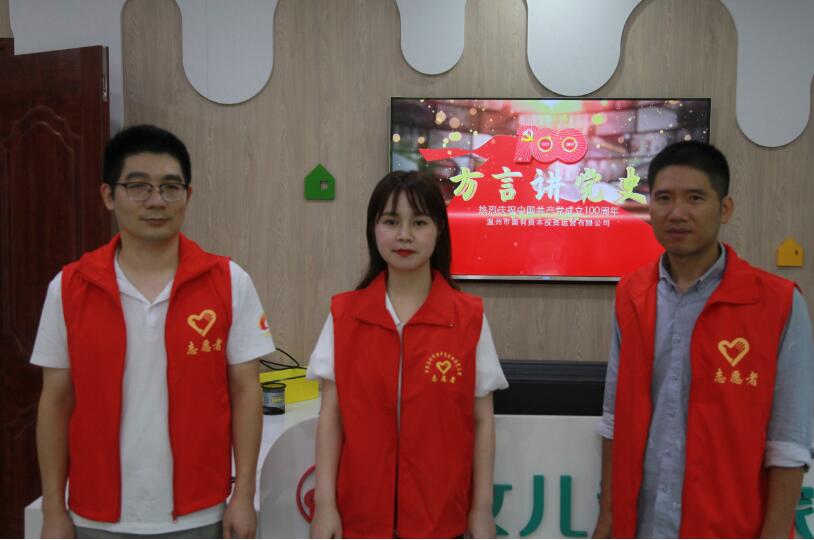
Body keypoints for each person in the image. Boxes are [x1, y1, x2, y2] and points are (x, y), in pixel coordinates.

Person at [32, 125, 275, 539]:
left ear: (188, 195)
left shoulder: (228, 281)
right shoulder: (70, 287)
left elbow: (246, 393)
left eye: (170, 187)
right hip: (96, 515)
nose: (157, 201)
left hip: (200, 511)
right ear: (109, 195)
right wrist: (53, 509)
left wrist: (244, 494)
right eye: (138, 186)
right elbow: (55, 401)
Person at [593, 141, 814, 538]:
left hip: (731, 527)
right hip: (642, 525)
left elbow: (789, 442)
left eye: (695, 198)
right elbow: (614, 421)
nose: (677, 213)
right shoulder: (632, 294)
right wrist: (607, 520)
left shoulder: (778, 303)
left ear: (724, 208)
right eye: (664, 198)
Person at [306, 171, 508, 538]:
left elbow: (482, 421)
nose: (404, 235)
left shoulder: (467, 318)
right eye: (390, 221)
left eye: (419, 222)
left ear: (439, 229)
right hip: (359, 519)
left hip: (440, 520)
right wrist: (324, 505)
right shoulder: (345, 315)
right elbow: (331, 416)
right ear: (373, 229)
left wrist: (481, 509)